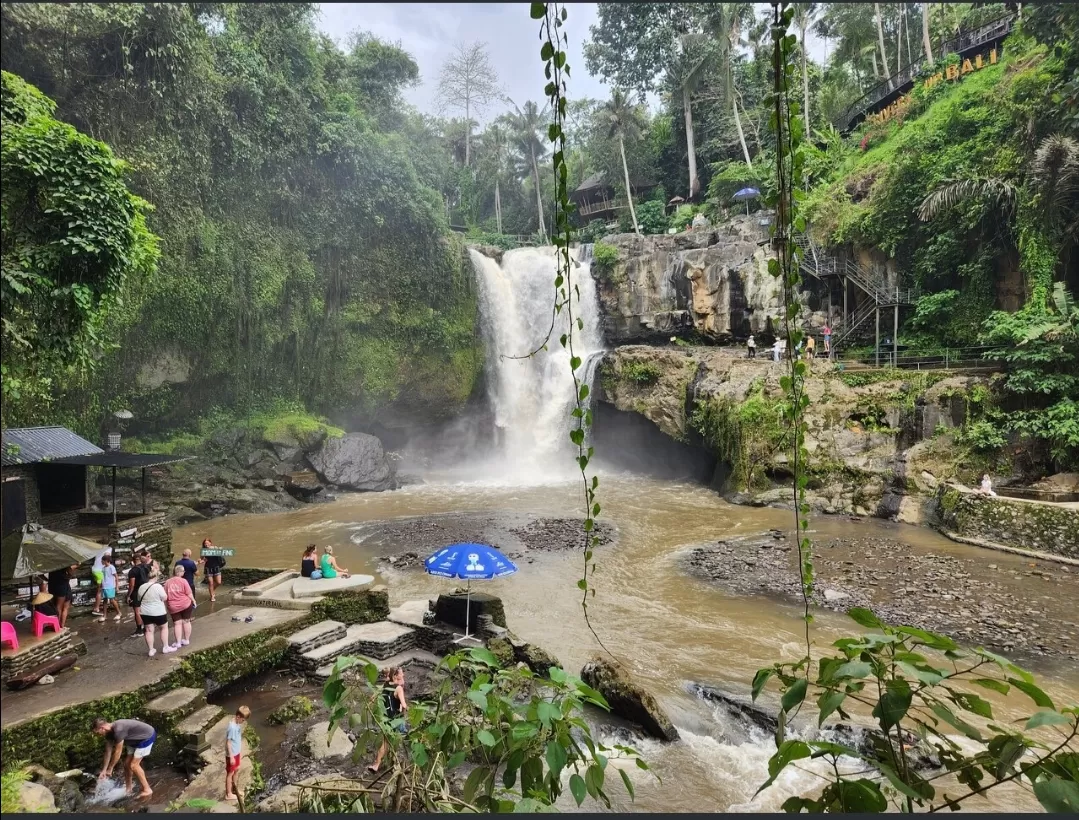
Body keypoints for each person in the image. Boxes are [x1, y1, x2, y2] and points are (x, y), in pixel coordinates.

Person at [93, 716, 155, 799]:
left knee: (134, 765)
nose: (99, 735)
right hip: (133, 740)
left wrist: (110, 768)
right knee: (126, 764)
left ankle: (147, 789)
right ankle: (128, 789)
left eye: (98, 732)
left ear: (102, 728)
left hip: (146, 737)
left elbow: (118, 752)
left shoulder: (119, 730)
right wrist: (104, 770)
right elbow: (108, 752)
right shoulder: (109, 734)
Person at [368, 667, 407, 773]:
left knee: (385, 742)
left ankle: (376, 765)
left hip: (386, 718)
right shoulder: (398, 688)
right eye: (401, 673)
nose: (403, 675)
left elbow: (372, 699)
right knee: (401, 740)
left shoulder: (384, 686)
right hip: (396, 718)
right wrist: (403, 714)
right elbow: (404, 705)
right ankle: (398, 764)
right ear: (395, 676)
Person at [136, 570, 172, 657]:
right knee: (163, 628)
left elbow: (139, 598)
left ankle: (151, 650)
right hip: (158, 611)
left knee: (148, 630)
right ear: (156, 577)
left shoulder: (141, 587)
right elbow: (164, 598)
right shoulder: (158, 586)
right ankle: (165, 647)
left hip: (145, 612)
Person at [163, 564, 196, 650]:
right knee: (186, 622)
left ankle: (178, 642)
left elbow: (164, 596)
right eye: (183, 571)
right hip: (185, 604)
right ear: (180, 572)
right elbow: (189, 593)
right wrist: (193, 600)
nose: (184, 572)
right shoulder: (184, 581)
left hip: (173, 606)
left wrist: (166, 605)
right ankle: (186, 640)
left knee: (177, 624)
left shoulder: (167, 582)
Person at [224, 705, 250, 801]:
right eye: (243, 720)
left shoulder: (236, 723)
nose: (243, 722)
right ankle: (229, 794)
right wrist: (231, 756)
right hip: (232, 754)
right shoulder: (232, 727)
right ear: (238, 717)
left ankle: (235, 789)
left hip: (236, 752)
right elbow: (228, 742)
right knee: (230, 773)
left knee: (237, 769)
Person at [128, 551, 151, 637]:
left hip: (137, 592)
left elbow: (132, 585)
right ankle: (147, 626)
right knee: (146, 608)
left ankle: (139, 630)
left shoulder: (133, 571)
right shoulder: (147, 567)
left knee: (137, 611)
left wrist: (128, 595)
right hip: (147, 590)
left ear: (133, 560)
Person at [47, 564, 78, 629]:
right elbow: (70, 571)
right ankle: (58, 626)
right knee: (61, 607)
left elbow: (40, 573)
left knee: (54, 605)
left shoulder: (50, 561)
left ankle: (54, 624)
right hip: (61, 584)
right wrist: (69, 576)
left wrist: (47, 580)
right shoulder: (64, 561)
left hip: (52, 584)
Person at [97, 554, 123, 623]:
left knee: (112, 600)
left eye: (102, 561)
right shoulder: (103, 568)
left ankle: (118, 613)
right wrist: (101, 586)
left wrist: (117, 586)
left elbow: (116, 577)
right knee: (105, 601)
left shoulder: (112, 567)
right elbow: (103, 577)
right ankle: (104, 615)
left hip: (110, 586)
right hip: (104, 586)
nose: (102, 562)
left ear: (106, 561)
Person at [91, 546, 111, 616]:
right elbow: (107, 558)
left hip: (94, 570)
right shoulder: (108, 548)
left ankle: (100, 605)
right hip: (100, 572)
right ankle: (96, 609)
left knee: (99, 590)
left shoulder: (97, 546)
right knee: (100, 590)